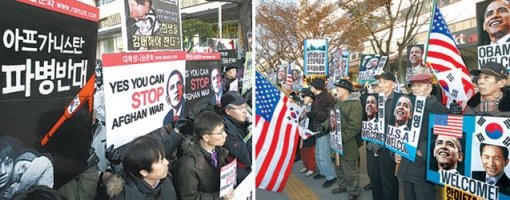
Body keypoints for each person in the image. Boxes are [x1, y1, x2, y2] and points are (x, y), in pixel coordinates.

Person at [394, 73, 448, 200]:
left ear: (429, 88)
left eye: (419, 85)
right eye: (413, 85)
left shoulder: (438, 108)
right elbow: (399, 130)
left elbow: (444, 136)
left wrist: (422, 152)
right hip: (405, 163)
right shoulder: (407, 106)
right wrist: (396, 150)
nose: (415, 88)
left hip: (424, 166)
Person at [173, 111, 234, 200]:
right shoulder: (187, 165)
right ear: (205, 137)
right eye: (220, 132)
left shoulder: (218, 151)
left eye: (223, 130)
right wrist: (219, 197)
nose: (225, 135)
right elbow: (190, 198)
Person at [107, 135, 177, 199]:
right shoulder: (126, 197)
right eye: (160, 161)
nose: (167, 162)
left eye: (164, 157)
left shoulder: (166, 178)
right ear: (144, 172)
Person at [366, 71, 399, 200]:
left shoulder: (399, 101)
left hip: (388, 149)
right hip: (372, 147)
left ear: (393, 84)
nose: (381, 85)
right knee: (375, 179)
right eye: (380, 82)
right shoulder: (373, 100)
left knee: (388, 182)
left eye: (385, 82)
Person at [330, 79, 363, 200]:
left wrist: (341, 138)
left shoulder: (355, 104)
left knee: (350, 169)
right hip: (337, 141)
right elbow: (332, 119)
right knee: (338, 166)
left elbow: (355, 126)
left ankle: (353, 191)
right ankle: (342, 185)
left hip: (348, 143)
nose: (336, 90)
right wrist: (323, 126)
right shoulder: (337, 103)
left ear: (346, 90)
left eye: (338, 88)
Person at [308, 78, 337, 188]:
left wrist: (312, 114)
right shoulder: (319, 97)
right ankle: (323, 172)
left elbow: (329, 115)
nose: (310, 88)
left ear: (316, 87)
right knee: (318, 153)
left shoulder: (326, 98)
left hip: (324, 129)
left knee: (323, 155)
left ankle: (331, 176)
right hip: (318, 129)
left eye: (312, 86)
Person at [221, 91, 252, 184]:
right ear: (228, 111)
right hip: (239, 175)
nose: (245, 111)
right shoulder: (226, 131)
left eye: (245, 106)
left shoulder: (240, 121)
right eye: (240, 108)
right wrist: (252, 132)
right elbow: (249, 158)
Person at [299, 88, 317, 177]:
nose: (304, 99)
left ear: (311, 98)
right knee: (303, 149)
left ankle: (311, 167)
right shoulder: (302, 106)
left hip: (310, 130)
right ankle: (306, 165)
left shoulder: (314, 107)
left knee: (310, 150)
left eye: (306, 97)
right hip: (302, 130)